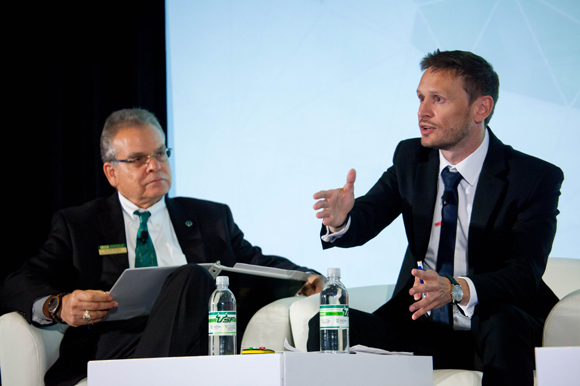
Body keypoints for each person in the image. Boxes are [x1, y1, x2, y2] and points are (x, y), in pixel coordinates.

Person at [1, 108, 324, 386]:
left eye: (160, 153)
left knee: (195, 280)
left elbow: (254, 261)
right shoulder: (80, 224)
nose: (154, 165)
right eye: (138, 159)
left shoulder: (209, 216)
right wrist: (59, 306)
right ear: (111, 172)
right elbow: (19, 281)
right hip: (116, 343)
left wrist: (305, 276)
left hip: (203, 339)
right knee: (193, 277)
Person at [309, 50, 563, 386]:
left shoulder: (532, 177)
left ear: (480, 108)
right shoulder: (411, 157)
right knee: (324, 324)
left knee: (503, 324)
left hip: (495, 326)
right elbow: (369, 216)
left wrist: (455, 289)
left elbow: (523, 274)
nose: (422, 112)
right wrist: (342, 219)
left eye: (438, 99)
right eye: (420, 98)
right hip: (423, 327)